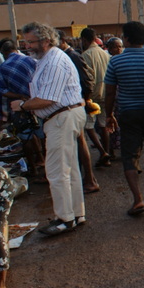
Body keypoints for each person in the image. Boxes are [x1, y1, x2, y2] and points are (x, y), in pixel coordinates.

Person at [13, 22, 86, 236]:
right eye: (25, 42)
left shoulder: (53, 61)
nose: (27, 46)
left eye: (31, 42)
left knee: (56, 171)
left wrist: (23, 105)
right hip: (63, 115)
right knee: (69, 168)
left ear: (45, 41)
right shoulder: (47, 58)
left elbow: (48, 98)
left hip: (61, 116)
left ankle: (65, 218)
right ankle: (75, 214)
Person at [104, 21, 144, 217]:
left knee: (129, 155)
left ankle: (138, 199)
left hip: (128, 113)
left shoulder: (115, 61)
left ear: (128, 39)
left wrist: (109, 115)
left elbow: (110, 93)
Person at [57, 31, 100, 194]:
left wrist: (85, 100)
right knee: (77, 142)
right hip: (74, 104)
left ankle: (89, 179)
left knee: (81, 141)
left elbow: (87, 80)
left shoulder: (72, 56)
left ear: (61, 41)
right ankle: (86, 178)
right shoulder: (66, 56)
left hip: (75, 105)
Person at [0, 40, 44, 180]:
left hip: (19, 106)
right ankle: (46, 167)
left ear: (4, 53)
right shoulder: (32, 61)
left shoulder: (3, 67)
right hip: (37, 103)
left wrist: (19, 96)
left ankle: (33, 169)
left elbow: (1, 90)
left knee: (26, 137)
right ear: (16, 49)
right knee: (42, 135)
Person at [80, 28, 112, 168]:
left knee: (89, 126)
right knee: (104, 125)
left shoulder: (86, 55)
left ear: (85, 40)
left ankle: (103, 152)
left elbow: (88, 79)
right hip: (106, 94)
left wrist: (86, 98)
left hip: (92, 97)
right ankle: (106, 153)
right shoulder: (105, 54)